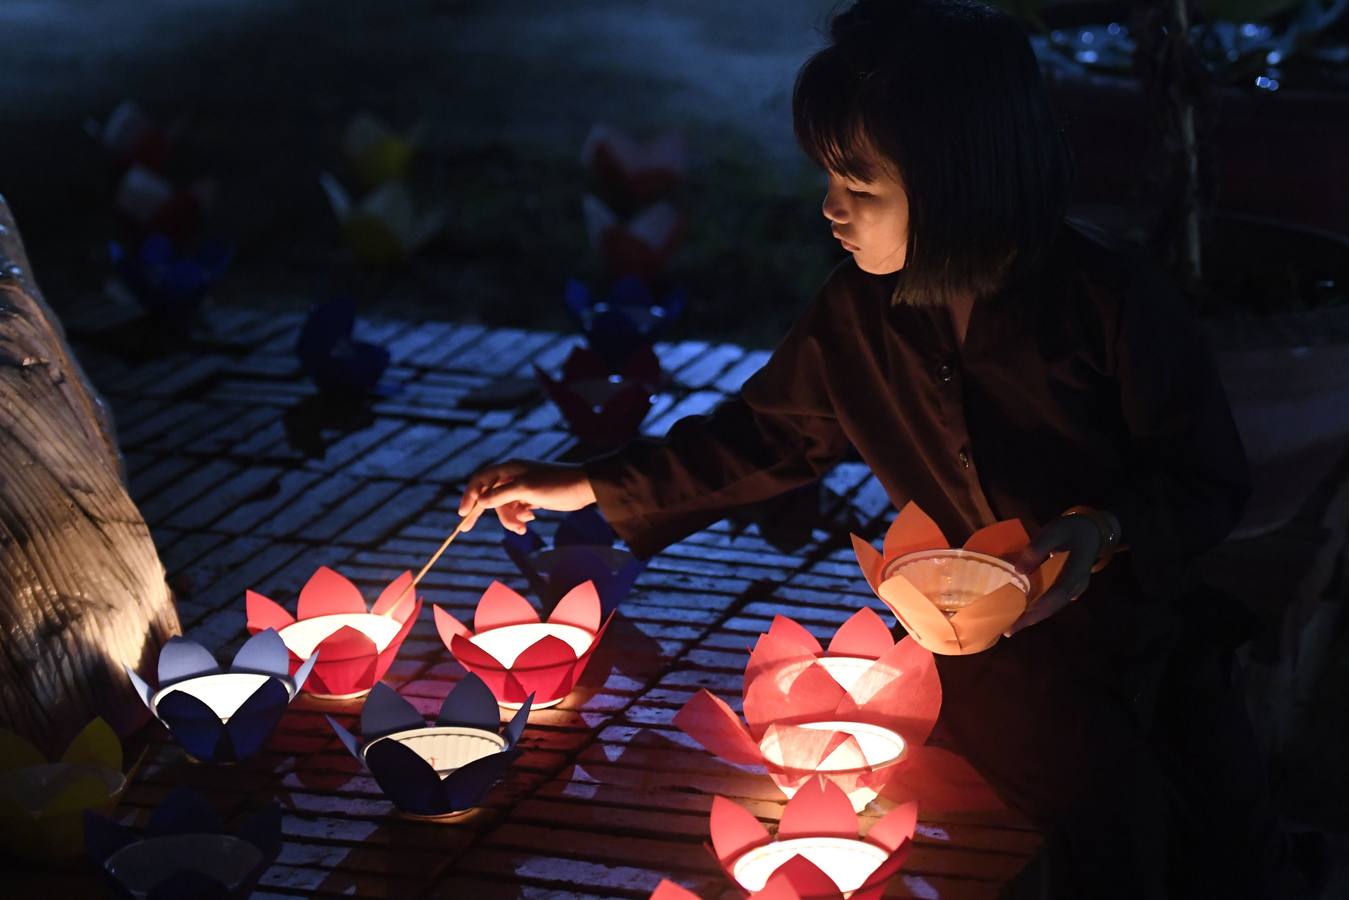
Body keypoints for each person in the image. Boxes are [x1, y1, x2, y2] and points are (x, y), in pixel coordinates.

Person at [456, 1, 1285, 895]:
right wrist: (590, 486)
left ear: (959, 186)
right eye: (828, 180)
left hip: (1142, 631)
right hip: (981, 652)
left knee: (1209, 832)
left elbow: (1200, 477)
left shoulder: (1111, 306)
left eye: (861, 190)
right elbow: (767, 435)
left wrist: (1100, 528)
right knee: (1079, 818)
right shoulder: (857, 314)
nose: (829, 210)